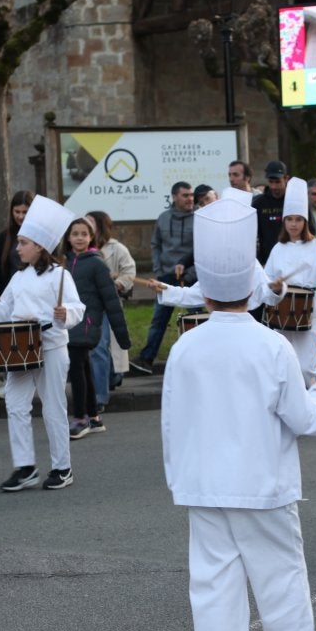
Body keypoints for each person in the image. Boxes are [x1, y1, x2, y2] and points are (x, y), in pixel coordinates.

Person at [160, 196, 316, 631]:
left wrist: (182, 481)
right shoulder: (273, 345)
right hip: (262, 487)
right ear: (254, 287)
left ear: (206, 289)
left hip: (204, 489)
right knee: (281, 584)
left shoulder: (186, 346)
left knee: (213, 596)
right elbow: (304, 420)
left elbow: (172, 424)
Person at [0, 195, 82, 492]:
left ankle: (62, 467)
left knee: (53, 407)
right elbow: (2, 310)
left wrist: (66, 313)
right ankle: (25, 467)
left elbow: (78, 308)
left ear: (39, 246)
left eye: (23, 242)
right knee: (15, 405)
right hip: (19, 351)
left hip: (51, 347)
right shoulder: (18, 277)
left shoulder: (60, 275)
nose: (17, 248)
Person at [264, 177, 316, 384]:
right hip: (282, 312)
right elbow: (266, 283)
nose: (294, 224)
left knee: (308, 368)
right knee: (285, 367)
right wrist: (275, 287)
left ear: (305, 222)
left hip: (311, 310)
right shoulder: (278, 249)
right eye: (290, 219)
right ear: (284, 221)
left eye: (298, 219)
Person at [65, 216, 131, 438]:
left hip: (87, 324)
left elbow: (111, 302)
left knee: (76, 368)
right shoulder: (63, 263)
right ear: (68, 237)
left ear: (91, 237)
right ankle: (93, 416)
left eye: (84, 234)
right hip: (68, 322)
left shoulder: (96, 263)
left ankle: (80, 417)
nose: (79, 238)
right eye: (75, 234)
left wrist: (122, 337)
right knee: (82, 367)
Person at [130, 181, 195, 375]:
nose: (190, 199)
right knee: (159, 319)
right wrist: (159, 269)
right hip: (166, 277)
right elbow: (155, 244)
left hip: (191, 278)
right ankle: (146, 359)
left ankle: (197, 359)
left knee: (195, 319)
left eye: (191, 195)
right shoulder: (163, 218)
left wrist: (191, 273)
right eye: (185, 195)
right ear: (174, 197)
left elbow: (201, 249)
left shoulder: (200, 218)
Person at [86, 209, 135, 408]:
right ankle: (106, 380)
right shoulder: (82, 250)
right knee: (93, 347)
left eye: (90, 224)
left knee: (101, 346)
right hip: (87, 306)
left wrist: (117, 284)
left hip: (107, 305)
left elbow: (129, 272)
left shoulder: (117, 249)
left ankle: (101, 394)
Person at [0, 191, 34, 401]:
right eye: (17, 211)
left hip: (31, 295)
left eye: (25, 211)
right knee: (10, 338)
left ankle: (30, 381)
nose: (21, 216)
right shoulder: (6, 235)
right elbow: (0, 266)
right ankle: (9, 380)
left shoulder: (38, 234)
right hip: (9, 293)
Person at [252, 160, 289, 262]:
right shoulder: (258, 203)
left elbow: (310, 230)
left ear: (286, 178)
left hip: (292, 259)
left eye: (277, 182)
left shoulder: (294, 201)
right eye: (271, 182)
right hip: (266, 260)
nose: (274, 186)